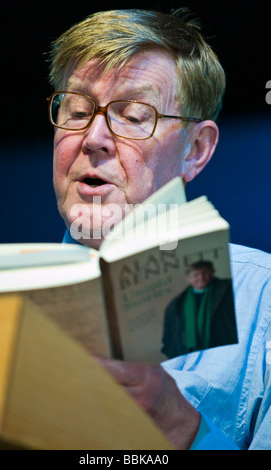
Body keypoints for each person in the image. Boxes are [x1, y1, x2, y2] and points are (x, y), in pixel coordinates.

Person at [47, 9, 271, 449]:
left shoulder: (263, 301)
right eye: (76, 109)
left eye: (132, 115)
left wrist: (178, 425)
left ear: (196, 150)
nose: (93, 138)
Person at [162, 261, 237, 358]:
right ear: (188, 278)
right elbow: (169, 336)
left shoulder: (229, 289)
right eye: (196, 275)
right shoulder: (177, 304)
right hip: (190, 357)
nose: (201, 277)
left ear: (212, 272)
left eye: (205, 273)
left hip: (226, 352)